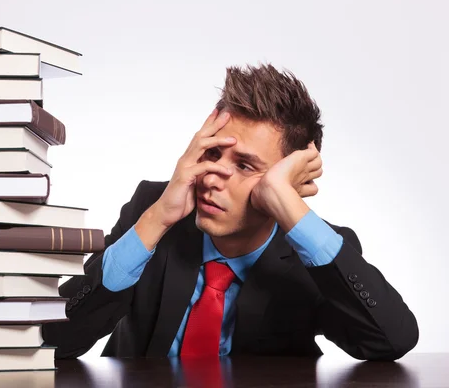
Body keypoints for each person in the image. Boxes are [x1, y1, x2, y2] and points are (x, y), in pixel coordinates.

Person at [42, 64, 419, 360]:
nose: (212, 176)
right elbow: (54, 341)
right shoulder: (153, 212)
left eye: (244, 166)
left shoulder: (316, 252)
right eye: (212, 153)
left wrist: (287, 205)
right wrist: (156, 220)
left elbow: (391, 342)